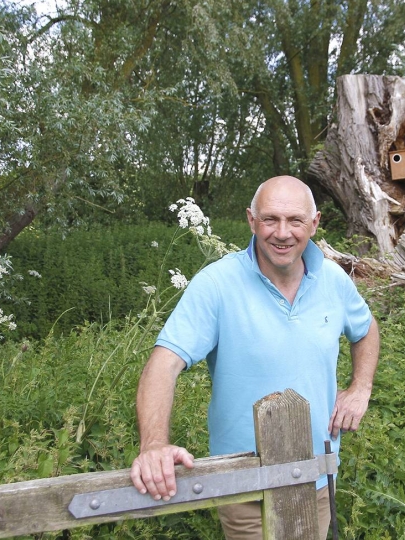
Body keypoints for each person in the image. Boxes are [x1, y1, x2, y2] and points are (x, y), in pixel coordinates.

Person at [130, 175, 380, 539]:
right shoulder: (217, 284)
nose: (282, 233)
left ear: (314, 223)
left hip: (318, 478)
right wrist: (153, 445)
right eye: (270, 219)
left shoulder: (333, 280)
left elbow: (366, 329)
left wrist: (361, 387)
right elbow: (163, 363)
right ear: (251, 220)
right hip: (246, 486)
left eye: (295, 220)